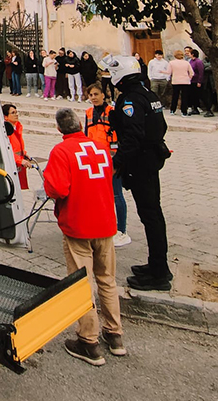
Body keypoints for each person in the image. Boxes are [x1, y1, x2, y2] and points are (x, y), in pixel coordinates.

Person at [43, 107, 125, 365]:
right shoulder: (100, 147)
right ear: (80, 124)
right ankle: (115, 335)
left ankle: (88, 341)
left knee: (82, 283)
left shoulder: (61, 151)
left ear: (59, 128)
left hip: (79, 225)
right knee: (107, 279)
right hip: (105, 223)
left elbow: (57, 188)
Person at [103, 54, 172, 291]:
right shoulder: (147, 94)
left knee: (151, 216)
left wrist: (117, 164)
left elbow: (132, 137)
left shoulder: (131, 99)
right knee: (153, 215)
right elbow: (161, 126)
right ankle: (157, 264)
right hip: (151, 160)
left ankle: (159, 274)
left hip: (141, 163)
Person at [85, 83, 130, 247]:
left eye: (96, 94)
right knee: (98, 196)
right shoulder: (88, 113)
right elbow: (86, 135)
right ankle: (103, 226)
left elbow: (121, 136)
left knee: (116, 195)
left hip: (112, 159)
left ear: (103, 95)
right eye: (91, 95)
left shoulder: (113, 112)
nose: (94, 97)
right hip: (94, 160)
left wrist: (118, 160)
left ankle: (121, 230)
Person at [3, 103, 32, 191]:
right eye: (13, 113)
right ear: (6, 117)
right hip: (13, 164)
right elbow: (6, 150)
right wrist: (20, 160)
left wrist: (24, 153)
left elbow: (17, 146)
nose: (16, 115)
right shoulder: (6, 131)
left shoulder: (17, 127)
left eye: (16, 112)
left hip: (18, 164)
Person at [168, 50, 193, 116]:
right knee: (184, 97)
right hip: (185, 81)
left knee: (175, 96)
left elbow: (169, 72)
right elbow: (191, 73)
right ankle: (184, 111)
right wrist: (189, 78)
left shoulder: (171, 63)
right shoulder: (186, 63)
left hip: (176, 81)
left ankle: (172, 110)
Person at [186, 49, 204, 115]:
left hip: (196, 80)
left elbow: (201, 72)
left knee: (197, 95)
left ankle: (198, 107)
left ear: (193, 54)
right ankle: (193, 107)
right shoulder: (191, 61)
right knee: (191, 95)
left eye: (189, 53)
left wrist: (199, 81)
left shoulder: (198, 62)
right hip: (191, 80)